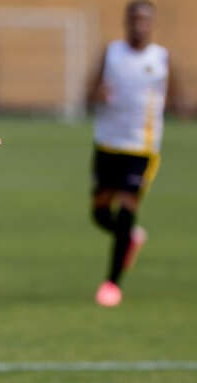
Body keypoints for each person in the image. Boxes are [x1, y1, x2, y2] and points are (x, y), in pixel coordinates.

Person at [87, 0, 184, 307]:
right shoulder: (111, 53)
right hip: (107, 143)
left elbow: (180, 99)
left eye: (146, 20)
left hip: (141, 148)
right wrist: (96, 95)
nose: (140, 25)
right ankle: (130, 236)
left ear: (152, 24)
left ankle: (112, 284)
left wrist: (175, 108)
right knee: (100, 212)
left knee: (128, 206)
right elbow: (88, 94)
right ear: (127, 21)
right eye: (135, 19)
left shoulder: (163, 59)